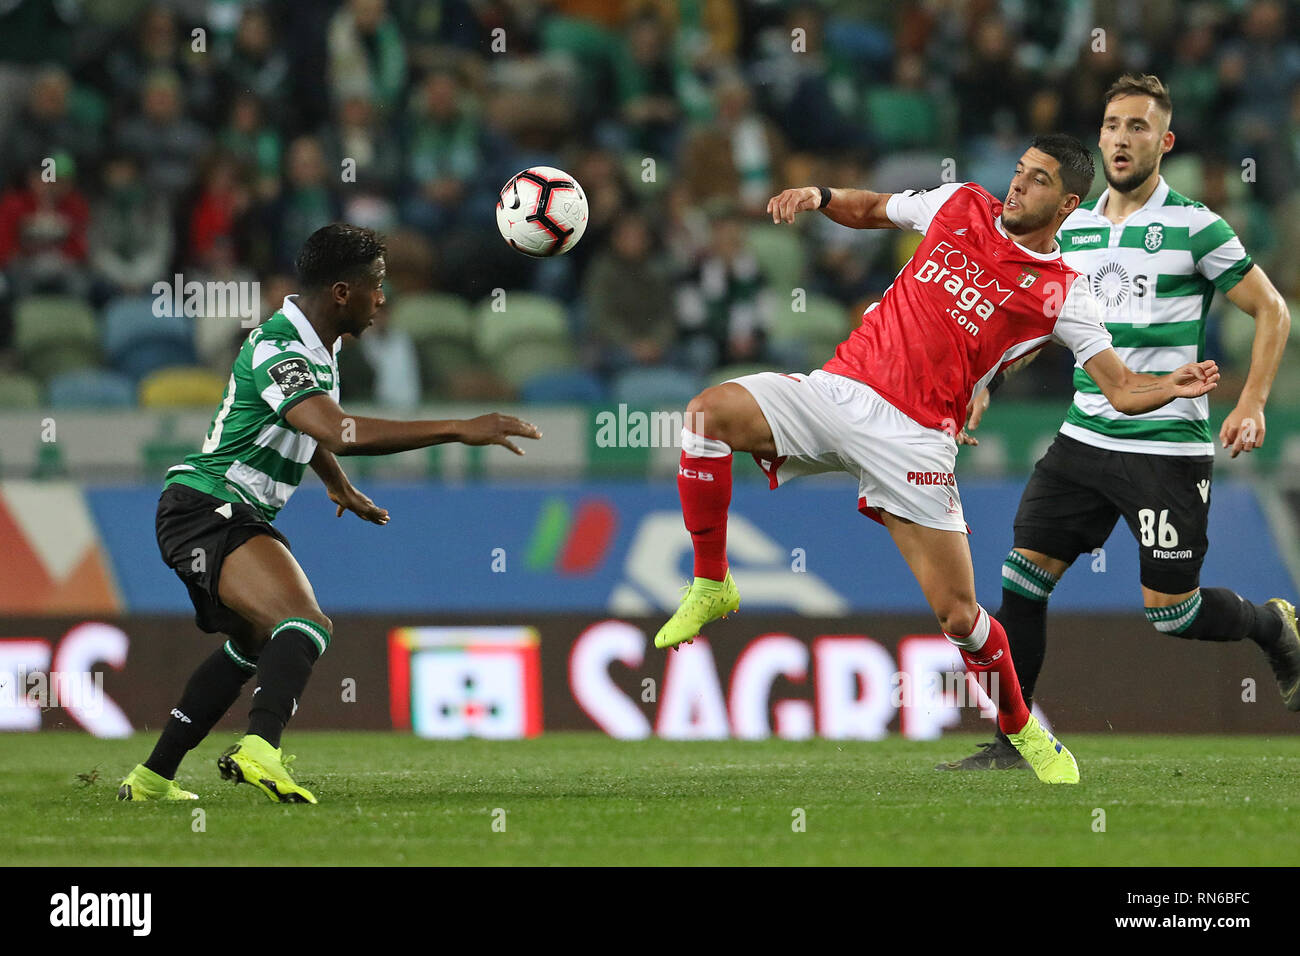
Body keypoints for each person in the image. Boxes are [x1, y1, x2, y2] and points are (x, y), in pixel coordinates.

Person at [654, 133, 1222, 785]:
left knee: (960, 616)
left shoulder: (1064, 291)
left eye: (1036, 179)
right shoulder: (961, 204)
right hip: (840, 390)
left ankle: (1025, 733)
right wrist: (821, 195)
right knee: (705, 415)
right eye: (1018, 171)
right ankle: (711, 582)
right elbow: (873, 211)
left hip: (917, 441)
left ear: (1068, 203)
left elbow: (1120, 389)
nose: (1017, 185)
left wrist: (1168, 387)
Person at [940, 75, 1299, 772]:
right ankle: (1016, 743)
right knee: (1021, 579)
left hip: (1164, 449)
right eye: (1112, 125)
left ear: (1164, 142)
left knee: (1172, 613)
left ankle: (1273, 626)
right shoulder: (1069, 228)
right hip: (1082, 439)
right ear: (1099, 137)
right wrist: (982, 380)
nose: (1122, 138)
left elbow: (1273, 310)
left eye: (1138, 127)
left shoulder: (1197, 225)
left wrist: (1252, 401)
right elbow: (1036, 320)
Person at [119, 224, 539, 804]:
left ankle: (152, 778)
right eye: (377, 286)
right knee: (305, 623)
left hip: (226, 510)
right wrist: (458, 427)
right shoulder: (280, 347)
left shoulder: (322, 345)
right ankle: (260, 749)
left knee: (252, 644)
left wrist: (336, 485)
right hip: (207, 508)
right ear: (343, 291)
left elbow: (306, 426)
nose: (383, 299)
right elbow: (336, 430)